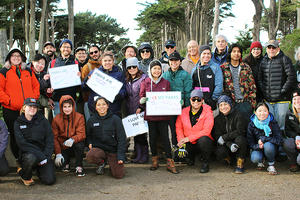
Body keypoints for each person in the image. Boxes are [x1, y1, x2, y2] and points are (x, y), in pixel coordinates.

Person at [0, 48, 40, 165]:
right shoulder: (3, 72)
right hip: (11, 110)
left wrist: (33, 99)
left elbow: (36, 86)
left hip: (28, 110)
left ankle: (30, 158)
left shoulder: (28, 71)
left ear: (22, 58)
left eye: (18, 55)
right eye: (13, 56)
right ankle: (18, 160)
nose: (16, 57)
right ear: (9, 58)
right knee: (15, 134)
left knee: (30, 133)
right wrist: (9, 101)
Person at [139, 60, 178, 174]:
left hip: (163, 116)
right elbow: (141, 96)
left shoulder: (166, 82)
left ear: (161, 70)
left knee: (166, 139)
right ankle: (154, 159)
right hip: (151, 116)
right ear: (150, 70)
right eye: (154, 68)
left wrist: (176, 102)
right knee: (152, 138)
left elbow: (169, 98)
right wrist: (142, 101)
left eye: (158, 68)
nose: (156, 71)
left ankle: (169, 161)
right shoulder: (145, 82)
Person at [14, 98, 55, 185]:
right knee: (30, 158)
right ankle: (24, 174)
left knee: (49, 180)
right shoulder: (18, 122)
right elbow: (22, 144)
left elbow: (50, 139)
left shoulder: (43, 121)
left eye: (35, 107)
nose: (32, 108)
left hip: (44, 154)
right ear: (24, 107)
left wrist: (46, 157)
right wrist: (41, 156)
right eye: (30, 106)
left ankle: (38, 170)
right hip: (28, 155)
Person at [258, 40, 296, 131]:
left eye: (273, 47)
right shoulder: (263, 61)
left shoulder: (284, 59)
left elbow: (291, 76)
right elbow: (260, 79)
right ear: (266, 49)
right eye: (269, 47)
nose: (271, 49)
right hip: (268, 100)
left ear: (278, 48)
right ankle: (271, 143)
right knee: (270, 126)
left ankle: (283, 143)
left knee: (281, 126)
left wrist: (282, 91)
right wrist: (264, 91)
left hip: (282, 100)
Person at [86, 97, 127, 179]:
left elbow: (122, 139)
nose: (101, 107)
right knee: (90, 155)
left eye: (104, 104)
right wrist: (89, 142)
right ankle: (102, 163)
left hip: (113, 150)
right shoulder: (91, 120)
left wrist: (120, 156)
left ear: (108, 106)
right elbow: (88, 135)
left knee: (119, 175)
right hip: (99, 149)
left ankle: (112, 162)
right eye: (99, 105)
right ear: (95, 107)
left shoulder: (116, 119)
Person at [175, 89, 214, 173]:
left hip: (202, 141)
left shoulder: (208, 112)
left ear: (202, 100)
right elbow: (179, 127)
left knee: (204, 140)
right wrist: (181, 140)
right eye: (193, 99)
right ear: (190, 100)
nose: (196, 101)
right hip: (189, 142)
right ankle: (190, 157)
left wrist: (188, 138)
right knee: (178, 154)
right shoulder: (183, 111)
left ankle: (205, 162)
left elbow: (206, 131)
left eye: (199, 99)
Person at [162, 51, 192, 147]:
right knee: (173, 128)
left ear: (180, 62)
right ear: (169, 62)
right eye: (171, 60)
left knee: (183, 128)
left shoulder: (185, 75)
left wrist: (187, 107)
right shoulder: (165, 75)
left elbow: (188, 91)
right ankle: (175, 147)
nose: (174, 62)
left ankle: (185, 149)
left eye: (176, 60)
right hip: (169, 109)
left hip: (182, 107)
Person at [84, 51, 126, 117]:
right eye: (105, 61)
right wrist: (87, 80)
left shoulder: (119, 74)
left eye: (109, 60)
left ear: (113, 61)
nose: (107, 63)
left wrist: (116, 96)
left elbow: (123, 91)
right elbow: (84, 88)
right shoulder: (94, 73)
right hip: (96, 109)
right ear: (101, 61)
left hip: (113, 110)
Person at [52, 95, 86, 177]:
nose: (67, 109)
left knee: (80, 144)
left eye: (69, 106)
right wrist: (58, 153)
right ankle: (66, 162)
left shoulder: (79, 117)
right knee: (59, 165)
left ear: (73, 106)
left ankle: (79, 165)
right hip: (63, 146)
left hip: (74, 144)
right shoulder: (56, 119)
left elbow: (82, 134)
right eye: (65, 107)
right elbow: (54, 137)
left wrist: (72, 139)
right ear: (61, 107)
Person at [220, 43, 256, 120]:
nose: (236, 54)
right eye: (234, 51)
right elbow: (221, 86)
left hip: (245, 103)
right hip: (230, 104)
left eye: (238, 51)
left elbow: (252, 86)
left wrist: (252, 104)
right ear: (230, 53)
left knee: (245, 127)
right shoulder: (224, 68)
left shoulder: (246, 67)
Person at [213, 95, 248, 173]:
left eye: (225, 104)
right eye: (221, 105)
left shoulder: (239, 115)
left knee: (240, 139)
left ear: (230, 104)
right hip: (227, 145)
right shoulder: (217, 119)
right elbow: (218, 136)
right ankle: (229, 160)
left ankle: (240, 162)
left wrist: (225, 137)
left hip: (237, 142)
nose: (223, 107)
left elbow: (240, 131)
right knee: (219, 151)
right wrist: (229, 144)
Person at [247, 102, 282, 175]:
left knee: (268, 145)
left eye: (265, 111)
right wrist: (258, 146)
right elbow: (250, 143)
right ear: (255, 113)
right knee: (255, 158)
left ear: (268, 112)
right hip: (258, 148)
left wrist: (264, 139)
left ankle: (271, 164)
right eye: (259, 111)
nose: (262, 113)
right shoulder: (251, 124)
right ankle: (261, 160)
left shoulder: (272, 122)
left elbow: (279, 140)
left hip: (271, 148)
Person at [125, 57, 148, 163]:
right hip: (130, 110)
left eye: (134, 66)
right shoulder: (127, 80)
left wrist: (141, 107)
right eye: (129, 67)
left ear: (137, 67)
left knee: (142, 135)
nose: (132, 69)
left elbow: (145, 95)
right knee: (136, 135)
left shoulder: (143, 78)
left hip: (141, 110)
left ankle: (144, 156)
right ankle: (138, 155)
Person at [48, 39, 80, 116]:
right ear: (60, 48)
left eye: (68, 47)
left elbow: (79, 84)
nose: (66, 49)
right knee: (58, 125)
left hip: (71, 99)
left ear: (71, 49)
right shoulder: (53, 62)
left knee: (72, 125)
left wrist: (79, 76)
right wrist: (49, 97)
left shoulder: (75, 63)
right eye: (64, 46)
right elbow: (48, 81)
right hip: (57, 99)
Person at [191, 45, 223, 111]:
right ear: (200, 55)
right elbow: (191, 85)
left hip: (211, 101)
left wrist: (213, 99)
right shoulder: (195, 69)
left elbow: (219, 85)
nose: (206, 56)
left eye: (208, 54)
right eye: (204, 53)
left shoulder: (215, 67)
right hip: (197, 102)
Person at [81, 45, 102, 121]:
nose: (94, 54)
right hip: (90, 102)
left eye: (96, 52)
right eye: (91, 53)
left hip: (105, 102)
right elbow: (82, 86)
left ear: (100, 52)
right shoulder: (86, 67)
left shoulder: (106, 64)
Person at [283, 89, 300, 172]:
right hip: (296, 139)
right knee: (288, 143)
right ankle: (293, 163)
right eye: (295, 99)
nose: (297, 101)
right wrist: (296, 137)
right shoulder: (289, 113)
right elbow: (287, 131)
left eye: (299, 99)